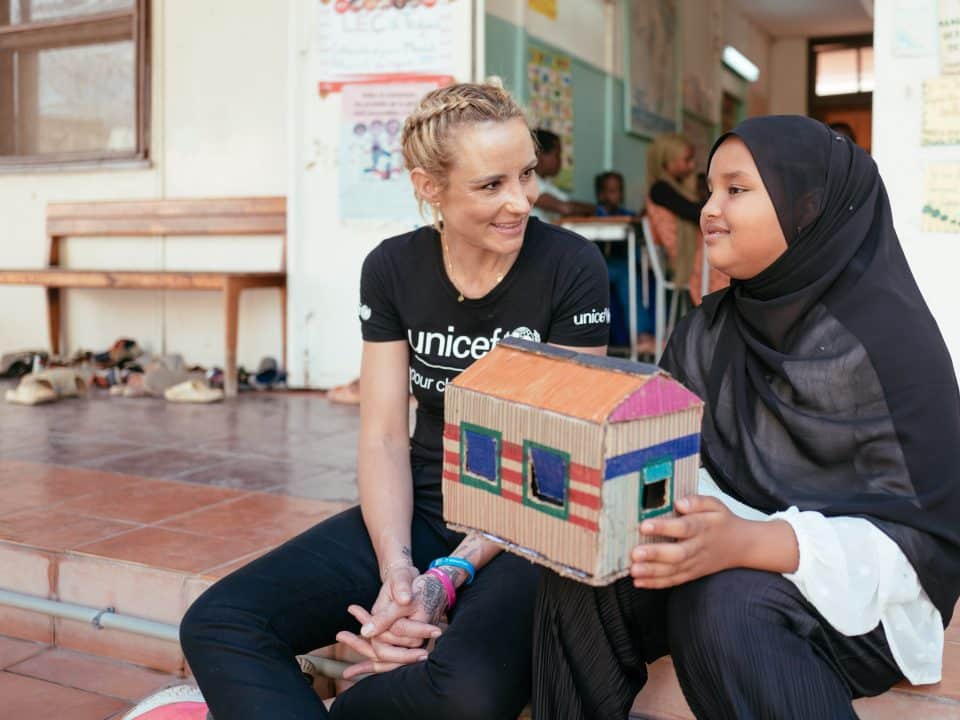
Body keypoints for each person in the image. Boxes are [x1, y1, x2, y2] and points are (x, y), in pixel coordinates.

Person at [129, 81, 609, 720]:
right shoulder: (392, 268)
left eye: (527, 174)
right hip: (426, 502)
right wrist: (399, 569)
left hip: (527, 524)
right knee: (219, 623)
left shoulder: (572, 267)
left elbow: (565, 451)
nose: (520, 201)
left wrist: (449, 576)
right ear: (428, 187)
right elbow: (384, 435)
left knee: (469, 693)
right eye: (491, 185)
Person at [531, 115, 960, 720]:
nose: (709, 208)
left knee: (726, 602)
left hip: (861, 597)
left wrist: (749, 541)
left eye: (736, 189)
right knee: (586, 567)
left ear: (806, 209)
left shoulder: (893, 346)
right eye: (709, 189)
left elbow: (918, 548)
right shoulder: (708, 330)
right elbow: (671, 463)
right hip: (720, 546)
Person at [645, 133, 727, 306]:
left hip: (694, 250)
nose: (692, 164)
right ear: (667, 162)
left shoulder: (676, 188)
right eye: (687, 160)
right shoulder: (660, 189)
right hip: (687, 255)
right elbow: (693, 212)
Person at [592, 171, 656, 355]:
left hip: (623, 267)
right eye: (611, 191)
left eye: (619, 191)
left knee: (643, 273)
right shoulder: (594, 214)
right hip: (603, 267)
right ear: (600, 194)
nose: (616, 196)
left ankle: (649, 336)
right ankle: (641, 336)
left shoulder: (627, 215)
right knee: (627, 272)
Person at [530, 129, 595, 222]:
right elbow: (566, 208)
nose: (560, 161)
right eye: (557, 155)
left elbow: (569, 204)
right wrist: (597, 209)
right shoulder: (529, 183)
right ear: (540, 155)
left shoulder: (546, 184)